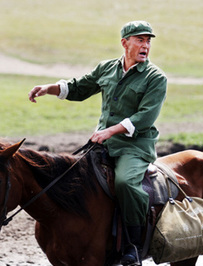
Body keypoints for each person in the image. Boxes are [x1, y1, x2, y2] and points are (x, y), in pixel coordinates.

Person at [28, 20, 167, 266]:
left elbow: (145, 117)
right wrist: (48, 88)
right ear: (125, 43)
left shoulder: (155, 78)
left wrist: (110, 131)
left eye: (148, 41)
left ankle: (132, 247)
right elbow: (80, 87)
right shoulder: (106, 69)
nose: (146, 46)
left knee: (124, 183)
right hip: (102, 144)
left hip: (134, 147)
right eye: (140, 40)